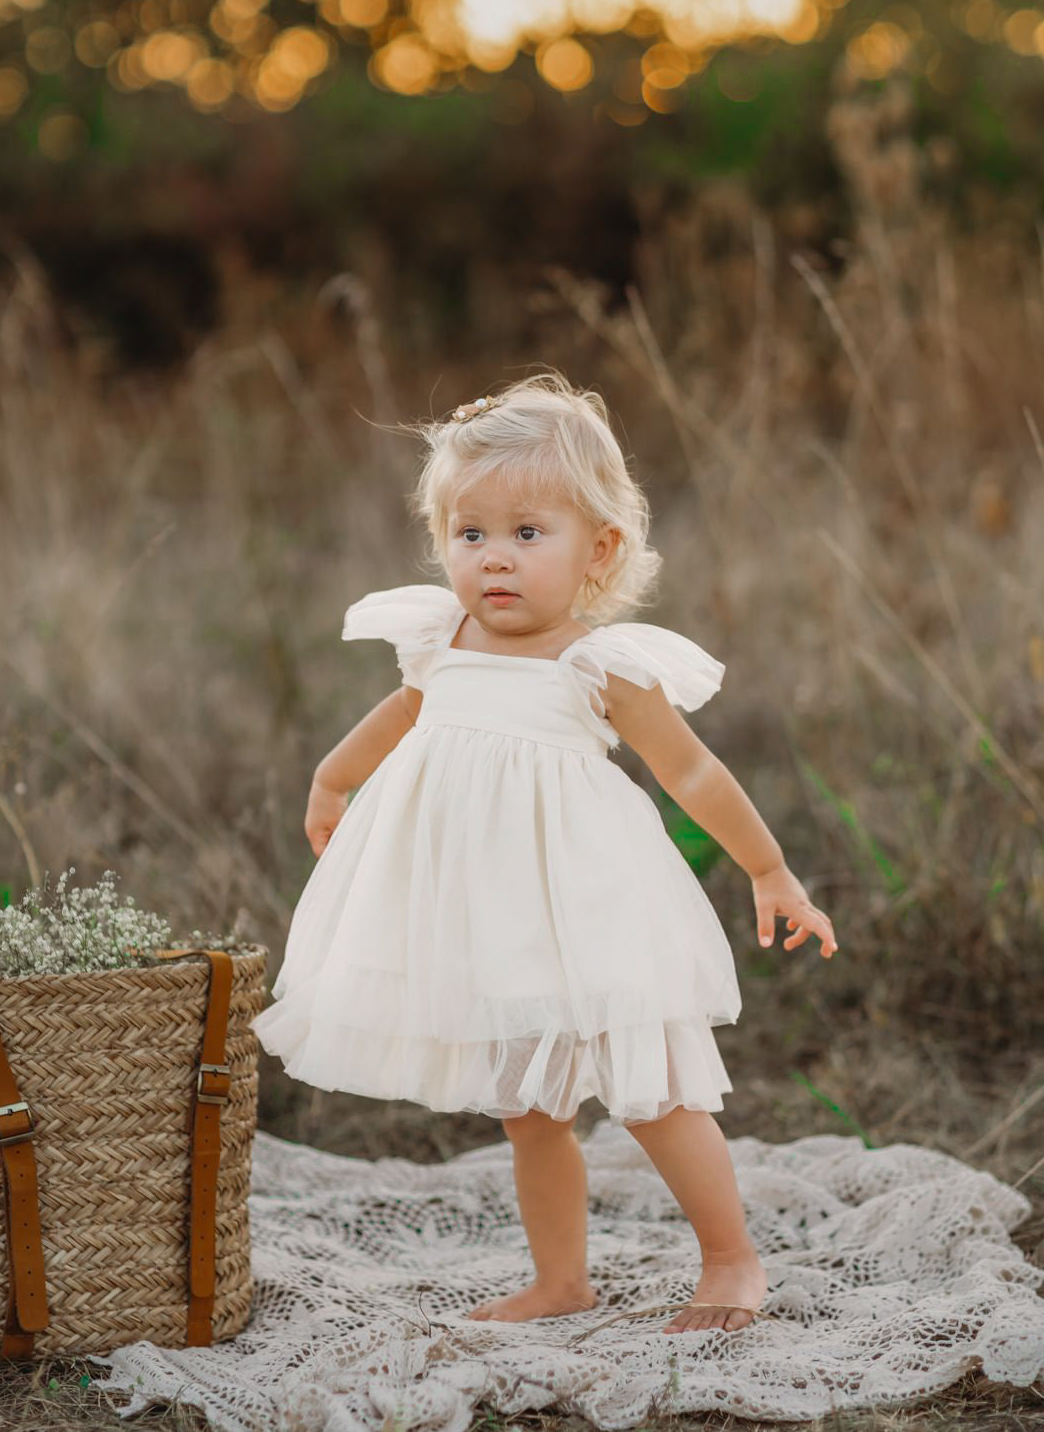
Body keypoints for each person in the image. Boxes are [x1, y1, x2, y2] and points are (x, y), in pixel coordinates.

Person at [251, 368, 838, 1337]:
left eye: (528, 534)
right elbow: (400, 716)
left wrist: (768, 868)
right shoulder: (443, 639)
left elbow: (692, 775)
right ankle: (561, 1279)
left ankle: (731, 1259)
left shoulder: (595, 664)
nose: (495, 559)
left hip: (583, 904)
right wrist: (329, 777)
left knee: (651, 1090)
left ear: (597, 550)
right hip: (489, 917)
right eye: (469, 534)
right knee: (527, 1109)